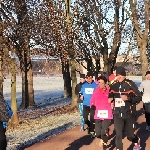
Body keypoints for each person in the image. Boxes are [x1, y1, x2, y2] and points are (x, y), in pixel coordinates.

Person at [108, 66, 142, 150]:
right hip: (117, 113)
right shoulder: (114, 84)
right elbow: (110, 93)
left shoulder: (130, 84)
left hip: (129, 114)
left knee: (130, 136)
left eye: (117, 75)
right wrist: (110, 98)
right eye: (116, 75)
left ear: (122, 75)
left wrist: (128, 98)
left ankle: (136, 140)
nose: (116, 76)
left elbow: (139, 97)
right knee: (118, 135)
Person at [90, 76, 113, 150]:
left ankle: (105, 144)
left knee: (103, 132)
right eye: (99, 82)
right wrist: (92, 106)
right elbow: (92, 100)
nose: (100, 84)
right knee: (97, 133)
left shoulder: (109, 91)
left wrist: (112, 102)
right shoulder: (96, 91)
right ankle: (104, 137)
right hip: (98, 114)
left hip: (107, 114)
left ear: (105, 83)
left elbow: (113, 100)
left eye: (102, 83)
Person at [79, 72, 98, 136]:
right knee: (85, 119)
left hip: (93, 105)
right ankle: (90, 126)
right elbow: (80, 93)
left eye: (90, 78)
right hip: (85, 104)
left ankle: (92, 132)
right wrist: (81, 96)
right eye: (87, 78)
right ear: (86, 78)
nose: (89, 79)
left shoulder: (95, 85)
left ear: (92, 78)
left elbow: (98, 93)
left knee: (92, 118)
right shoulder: (84, 85)